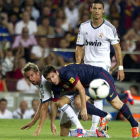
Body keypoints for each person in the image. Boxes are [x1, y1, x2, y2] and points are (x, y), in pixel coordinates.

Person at [42, 64, 140, 139]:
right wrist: (52, 122)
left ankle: (135, 125)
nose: (52, 80)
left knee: (116, 103)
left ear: (57, 72)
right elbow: (54, 103)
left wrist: (84, 109)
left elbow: (80, 88)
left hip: (99, 76)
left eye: (53, 76)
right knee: (79, 101)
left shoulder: (67, 74)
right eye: (49, 79)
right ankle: (108, 113)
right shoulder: (55, 86)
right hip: (88, 84)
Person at [21, 62, 109, 138]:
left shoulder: (45, 82)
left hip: (71, 98)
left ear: (37, 73)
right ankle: (94, 133)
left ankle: (80, 128)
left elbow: (45, 107)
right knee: (64, 133)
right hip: (66, 102)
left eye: (31, 75)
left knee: (61, 102)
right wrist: (33, 121)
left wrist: (39, 127)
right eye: (28, 77)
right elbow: (42, 102)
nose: (30, 79)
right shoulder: (38, 82)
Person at [75, 0, 125, 132]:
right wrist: (77, 64)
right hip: (87, 66)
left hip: (102, 66)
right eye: (94, 8)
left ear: (103, 11)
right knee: (81, 96)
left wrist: (120, 68)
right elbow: (79, 47)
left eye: (99, 8)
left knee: (97, 95)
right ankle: (93, 126)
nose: (96, 11)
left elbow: (118, 49)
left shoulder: (109, 28)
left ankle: (94, 128)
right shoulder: (84, 27)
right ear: (90, 10)